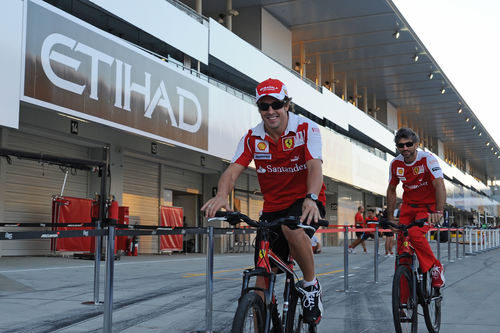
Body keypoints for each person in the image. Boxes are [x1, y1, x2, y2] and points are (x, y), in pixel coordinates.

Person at [201, 78, 326, 324]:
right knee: (261, 281)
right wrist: (221, 195)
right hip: (272, 209)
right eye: (264, 106)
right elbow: (232, 170)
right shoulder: (252, 137)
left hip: (306, 202)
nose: (270, 111)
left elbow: (314, 167)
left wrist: (311, 198)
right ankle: (263, 314)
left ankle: (311, 287)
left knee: (292, 229)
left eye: (276, 104)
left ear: (287, 104)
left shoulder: (307, 129)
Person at [386, 128, 446, 288]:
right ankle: (404, 306)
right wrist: (390, 217)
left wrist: (439, 211)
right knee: (402, 250)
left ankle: (435, 267)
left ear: (416, 144)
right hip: (407, 208)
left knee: (414, 233)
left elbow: (439, 184)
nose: (405, 148)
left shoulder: (428, 159)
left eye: (409, 144)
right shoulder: (395, 163)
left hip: (428, 209)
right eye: (401, 145)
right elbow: (391, 190)